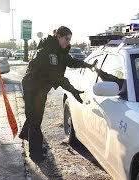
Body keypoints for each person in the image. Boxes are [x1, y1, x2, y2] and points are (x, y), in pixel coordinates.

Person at [19, 26, 96, 162]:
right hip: (33, 88)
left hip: (40, 88)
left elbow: (70, 62)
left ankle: (28, 138)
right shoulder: (49, 52)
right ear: (58, 36)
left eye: (70, 39)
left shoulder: (58, 51)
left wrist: (87, 65)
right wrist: (72, 89)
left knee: (33, 117)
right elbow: (57, 77)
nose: (68, 42)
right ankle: (35, 153)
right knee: (35, 120)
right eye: (66, 38)